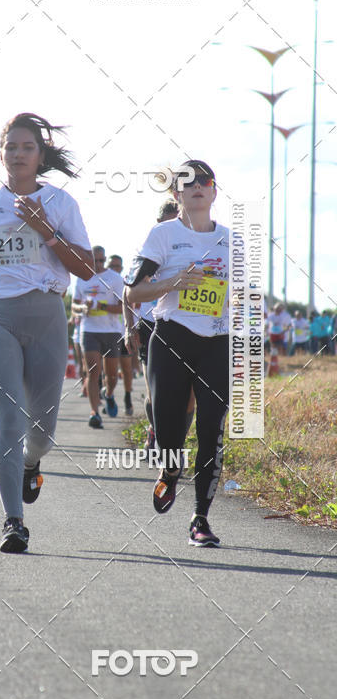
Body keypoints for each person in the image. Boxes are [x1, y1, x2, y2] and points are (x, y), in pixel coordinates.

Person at [0, 113, 94, 553]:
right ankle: (13, 521)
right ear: (1, 154)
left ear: (40, 156)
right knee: (9, 420)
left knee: (42, 431)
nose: (17, 154)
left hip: (47, 316)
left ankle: (32, 462)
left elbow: (86, 269)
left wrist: (45, 230)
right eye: (10, 147)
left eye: (27, 148)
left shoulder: (60, 202)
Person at [125, 161, 230, 547]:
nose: (198, 186)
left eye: (206, 181)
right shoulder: (163, 235)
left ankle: (200, 518)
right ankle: (170, 472)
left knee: (211, 431)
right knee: (170, 432)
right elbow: (134, 292)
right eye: (188, 182)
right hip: (171, 338)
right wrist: (175, 282)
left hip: (217, 342)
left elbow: (249, 300)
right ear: (177, 194)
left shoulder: (232, 240)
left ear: (214, 192)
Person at [123, 199, 195, 454]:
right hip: (150, 325)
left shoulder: (193, 247)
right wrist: (128, 326)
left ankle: (177, 443)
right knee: (156, 391)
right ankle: (157, 432)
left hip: (185, 324)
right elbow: (127, 292)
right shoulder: (149, 249)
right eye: (168, 222)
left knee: (188, 395)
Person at [72, 246, 124, 428]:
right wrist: (83, 309)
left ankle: (108, 394)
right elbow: (74, 306)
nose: (98, 264)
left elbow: (121, 308)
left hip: (111, 331)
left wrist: (100, 306)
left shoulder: (115, 279)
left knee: (111, 376)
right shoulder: (81, 277)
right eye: (95, 260)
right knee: (93, 372)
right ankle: (94, 413)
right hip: (89, 331)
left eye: (102, 260)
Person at [107, 254, 134, 416]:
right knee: (109, 372)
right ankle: (109, 394)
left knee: (126, 367)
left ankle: (128, 397)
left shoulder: (124, 282)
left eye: (117, 267)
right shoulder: (102, 282)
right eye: (111, 267)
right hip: (106, 332)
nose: (114, 270)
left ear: (122, 268)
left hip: (121, 331)